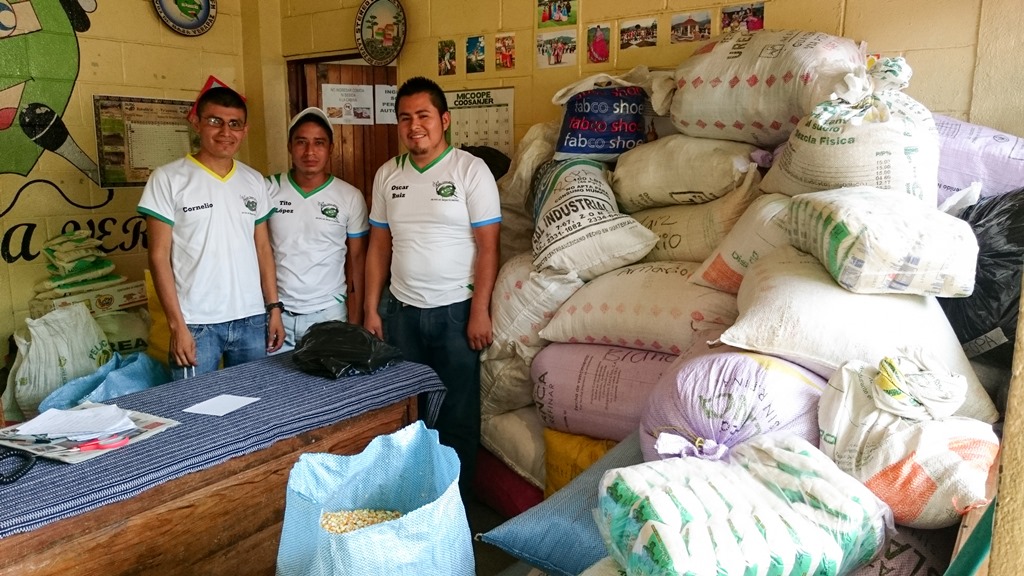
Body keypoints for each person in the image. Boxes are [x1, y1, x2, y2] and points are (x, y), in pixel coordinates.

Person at [363, 77, 501, 493]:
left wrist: (480, 309)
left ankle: (454, 504)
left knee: (457, 414)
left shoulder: (469, 170)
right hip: (402, 312)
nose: (414, 125)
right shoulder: (388, 175)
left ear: (444, 120)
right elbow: (378, 246)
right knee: (409, 411)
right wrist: (371, 308)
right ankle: (413, 494)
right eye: (405, 118)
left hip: (456, 312)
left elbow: (489, 247)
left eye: (423, 115)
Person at [138, 86, 285, 380]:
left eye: (234, 124)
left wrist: (274, 309)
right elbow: (158, 257)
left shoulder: (253, 180)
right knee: (195, 411)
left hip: (251, 320)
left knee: (254, 404)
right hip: (196, 323)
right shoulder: (168, 179)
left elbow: (263, 249)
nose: (225, 132)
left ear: (245, 130)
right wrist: (177, 325)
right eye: (215, 121)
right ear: (197, 122)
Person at [266, 107, 368, 352]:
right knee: (275, 389)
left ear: (331, 148)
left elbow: (357, 260)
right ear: (290, 146)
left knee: (330, 390)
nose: (310, 152)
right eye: (301, 142)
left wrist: (355, 321)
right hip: (277, 315)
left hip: (329, 314)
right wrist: (272, 309)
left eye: (319, 143)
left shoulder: (350, 196)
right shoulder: (267, 189)